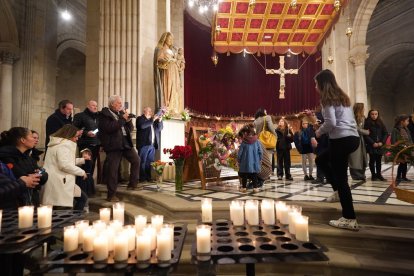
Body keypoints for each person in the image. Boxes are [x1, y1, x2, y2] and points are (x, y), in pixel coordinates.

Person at [314, 69, 360, 230]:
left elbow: (331, 123)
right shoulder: (343, 98)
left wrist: (318, 132)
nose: (315, 87)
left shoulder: (326, 99)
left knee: (342, 180)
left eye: (316, 83)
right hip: (353, 138)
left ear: (322, 83)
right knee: (321, 159)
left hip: (341, 139)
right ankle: (337, 191)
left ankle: (349, 218)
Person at [98, 95, 141, 202]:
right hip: (113, 145)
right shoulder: (104, 114)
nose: (121, 105)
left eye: (121, 103)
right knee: (113, 170)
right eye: (118, 103)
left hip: (125, 143)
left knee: (136, 160)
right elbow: (109, 128)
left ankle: (133, 184)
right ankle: (111, 195)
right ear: (112, 104)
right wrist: (122, 119)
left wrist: (129, 121)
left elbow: (130, 129)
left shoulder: (121, 114)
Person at [41, 125, 87, 209]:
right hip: (61, 180)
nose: (77, 139)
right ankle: (74, 220)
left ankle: (74, 219)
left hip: (56, 179)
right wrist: (82, 172)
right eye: (76, 136)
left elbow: (64, 160)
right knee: (62, 208)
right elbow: (64, 165)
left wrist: (82, 160)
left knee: (81, 199)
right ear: (69, 135)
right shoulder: (64, 145)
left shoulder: (56, 143)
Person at [0, 127, 48, 206]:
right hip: (14, 203)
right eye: (32, 137)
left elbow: (42, 172)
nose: (35, 140)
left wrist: (40, 173)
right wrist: (36, 174)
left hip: (30, 199)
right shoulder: (6, 156)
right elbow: (21, 177)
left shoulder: (27, 156)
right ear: (23, 140)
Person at [154, 32, 183, 114]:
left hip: (175, 71)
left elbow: (180, 60)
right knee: (168, 87)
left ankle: (174, 107)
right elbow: (158, 59)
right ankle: (167, 106)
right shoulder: (162, 49)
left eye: (172, 39)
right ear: (165, 39)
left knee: (175, 88)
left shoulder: (172, 51)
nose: (171, 41)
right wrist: (168, 60)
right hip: (168, 71)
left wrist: (179, 62)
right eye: (169, 39)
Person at [73, 100, 100, 183]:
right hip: (85, 144)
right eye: (93, 105)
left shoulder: (98, 117)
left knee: (92, 166)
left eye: (96, 106)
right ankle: (83, 186)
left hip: (96, 144)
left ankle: (89, 186)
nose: (95, 107)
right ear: (88, 106)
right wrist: (86, 133)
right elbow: (74, 128)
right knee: (85, 166)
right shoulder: (80, 116)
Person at [136, 107, 163, 182]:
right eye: (149, 111)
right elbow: (142, 126)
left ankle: (148, 177)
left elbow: (160, 128)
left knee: (149, 162)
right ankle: (142, 178)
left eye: (151, 111)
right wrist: (153, 120)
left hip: (152, 144)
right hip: (144, 144)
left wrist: (160, 120)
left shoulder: (152, 121)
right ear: (144, 111)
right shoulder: (140, 119)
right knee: (142, 161)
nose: (150, 112)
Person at [363, 109, 388, 181]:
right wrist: (372, 143)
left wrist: (382, 142)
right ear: (370, 115)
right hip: (372, 145)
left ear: (378, 114)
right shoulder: (367, 123)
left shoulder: (381, 122)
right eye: (372, 114)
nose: (374, 116)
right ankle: (373, 175)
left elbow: (385, 133)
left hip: (380, 144)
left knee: (379, 161)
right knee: (372, 160)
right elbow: (366, 135)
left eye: (375, 114)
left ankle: (379, 175)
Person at [237, 123, 262, 193]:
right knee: (254, 174)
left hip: (245, 162)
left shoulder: (244, 142)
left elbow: (240, 153)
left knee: (244, 175)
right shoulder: (257, 141)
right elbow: (260, 151)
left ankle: (244, 188)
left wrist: (238, 160)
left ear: (246, 134)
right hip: (255, 161)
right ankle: (255, 188)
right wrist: (259, 159)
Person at [349, 103, 369, 181]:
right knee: (355, 158)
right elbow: (355, 128)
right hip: (354, 139)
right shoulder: (352, 117)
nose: (364, 109)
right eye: (363, 108)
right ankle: (355, 175)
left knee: (362, 157)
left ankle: (362, 174)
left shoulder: (363, 117)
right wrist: (365, 132)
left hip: (362, 140)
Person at [391, 114, 412, 182]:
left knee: (405, 163)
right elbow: (393, 140)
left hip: (406, 149)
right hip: (399, 149)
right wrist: (397, 147)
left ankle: (404, 176)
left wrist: (411, 146)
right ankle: (398, 177)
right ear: (402, 122)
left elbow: (409, 139)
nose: (408, 122)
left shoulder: (406, 129)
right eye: (407, 121)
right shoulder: (395, 129)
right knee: (402, 163)